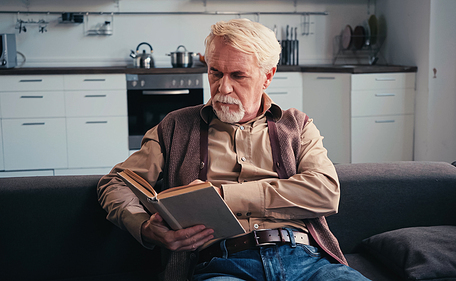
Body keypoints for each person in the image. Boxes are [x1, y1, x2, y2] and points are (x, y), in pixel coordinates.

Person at [98, 18, 370, 281]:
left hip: (305, 260)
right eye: (215, 72)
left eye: (238, 75)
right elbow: (115, 183)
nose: (223, 87)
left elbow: (325, 192)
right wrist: (144, 228)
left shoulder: (297, 126)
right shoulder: (176, 127)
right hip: (223, 265)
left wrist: (223, 196)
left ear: (267, 77)